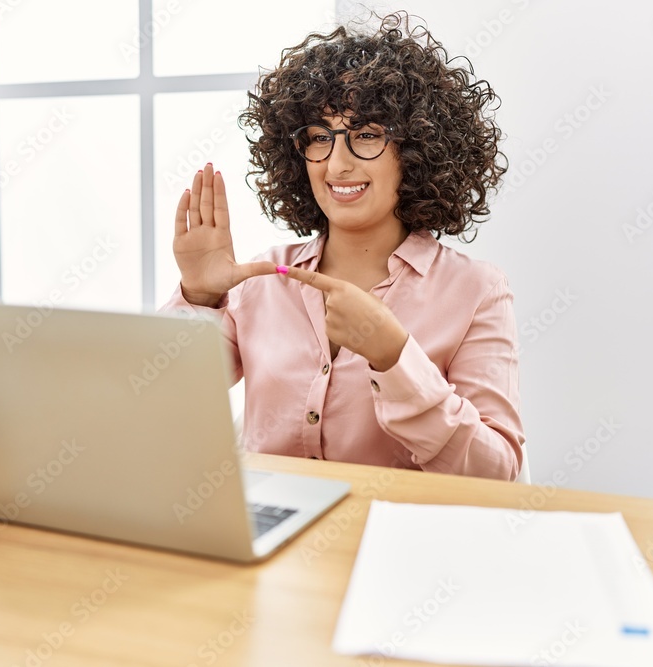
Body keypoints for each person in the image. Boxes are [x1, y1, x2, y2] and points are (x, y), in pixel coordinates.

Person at [161, 12, 525, 481]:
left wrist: (395, 357)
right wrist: (199, 297)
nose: (337, 163)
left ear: (416, 150)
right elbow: (159, 405)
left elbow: (496, 472)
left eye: (367, 135)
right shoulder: (262, 279)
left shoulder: (477, 291)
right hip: (268, 540)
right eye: (318, 137)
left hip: (397, 540)